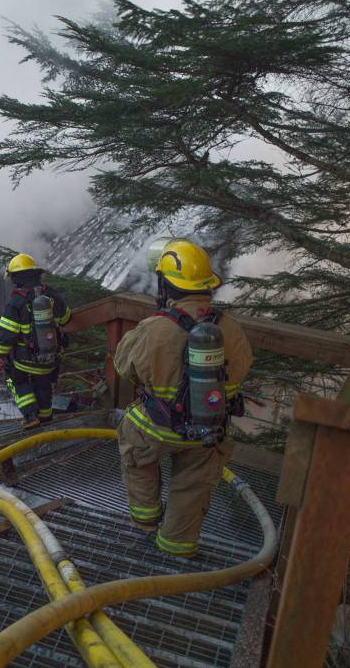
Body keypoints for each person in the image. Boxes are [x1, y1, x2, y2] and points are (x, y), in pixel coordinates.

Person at [113, 239, 251, 557]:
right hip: (207, 432)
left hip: (156, 427)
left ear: (166, 285)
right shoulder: (230, 329)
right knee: (192, 486)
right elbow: (241, 370)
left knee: (133, 445)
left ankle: (145, 522)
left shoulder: (154, 329)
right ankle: (177, 545)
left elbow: (123, 367)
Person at [0, 253, 72, 428]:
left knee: (15, 381)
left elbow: (7, 334)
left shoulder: (16, 301)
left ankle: (30, 417)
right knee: (43, 387)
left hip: (24, 361)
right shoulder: (51, 295)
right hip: (50, 359)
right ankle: (46, 421)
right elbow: (66, 318)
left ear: (15, 278)